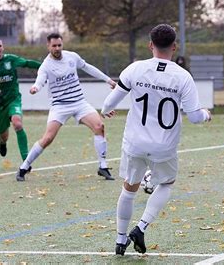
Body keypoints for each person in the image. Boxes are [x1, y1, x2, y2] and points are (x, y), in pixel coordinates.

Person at [101, 24, 211, 256]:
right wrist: (206, 114)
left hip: (135, 142)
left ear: (150, 45)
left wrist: (105, 110)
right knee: (167, 183)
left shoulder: (135, 69)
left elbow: (110, 103)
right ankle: (140, 228)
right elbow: (194, 117)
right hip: (164, 146)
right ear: (174, 46)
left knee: (129, 188)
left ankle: (120, 240)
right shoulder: (183, 76)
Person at [15, 33, 116, 181]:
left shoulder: (72, 57)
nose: (57, 48)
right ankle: (24, 167)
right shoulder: (45, 66)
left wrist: (108, 80)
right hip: (60, 106)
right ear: (48, 46)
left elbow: (88, 68)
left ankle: (103, 166)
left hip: (79, 102)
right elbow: (40, 80)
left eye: (59, 45)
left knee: (99, 126)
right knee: (48, 138)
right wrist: (36, 88)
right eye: (54, 46)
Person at [0, 38, 41, 161]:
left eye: (0, 45)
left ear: (3, 48)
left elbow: (27, 63)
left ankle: (26, 160)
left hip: (13, 100)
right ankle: (2, 143)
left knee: (18, 124)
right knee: (3, 136)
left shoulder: (11, 59)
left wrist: (45, 67)